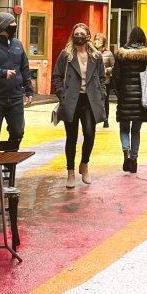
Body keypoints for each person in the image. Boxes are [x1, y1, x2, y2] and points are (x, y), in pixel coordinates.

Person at [51, 22, 107, 188]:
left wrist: (101, 94)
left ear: (88, 36)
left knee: (90, 134)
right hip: (71, 100)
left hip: (89, 101)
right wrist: (62, 94)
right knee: (72, 138)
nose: (79, 36)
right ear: (72, 36)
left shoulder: (96, 56)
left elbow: (102, 78)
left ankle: (84, 164)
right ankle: (70, 172)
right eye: (77, 34)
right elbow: (56, 76)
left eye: (82, 33)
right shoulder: (65, 55)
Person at [0, 12, 33, 144]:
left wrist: (29, 90)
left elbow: (24, 67)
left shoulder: (18, 44)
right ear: (3, 26)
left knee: (18, 132)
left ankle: (9, 163)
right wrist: (3, 73)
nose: (15, 25)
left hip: (15, 97)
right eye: (12, 23)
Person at [109, 27, 147, 174]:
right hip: (141, 99)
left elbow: (116, 77)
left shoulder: (122, 55)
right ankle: (134, 160)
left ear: (131, 38)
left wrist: (120, 93)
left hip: (125, 97)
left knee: (124, 128)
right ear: (143, 38)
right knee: (136, 130)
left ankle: (126, 153)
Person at [93, 33, 114, 127]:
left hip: (105, 81)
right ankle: (93, 118)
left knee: (105, 100)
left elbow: (114, 67)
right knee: (93, 100)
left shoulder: (108, 54)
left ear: (103, 42)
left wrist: (107, 70)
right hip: (93, 81)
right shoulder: (91, 52)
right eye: (96, 39)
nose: (97, 41)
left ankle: (106, 119)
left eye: (99, 40)